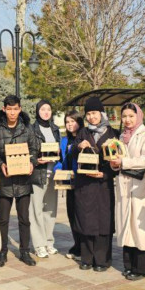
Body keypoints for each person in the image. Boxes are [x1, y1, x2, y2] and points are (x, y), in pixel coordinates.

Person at [0, 95, 40, 267]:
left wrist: (32, 162)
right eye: (9, 109)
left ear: (20, 109)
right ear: (4, 109)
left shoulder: (27, 129)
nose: (12, 112)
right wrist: (0, 164)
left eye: (15, 109)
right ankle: (2, 252)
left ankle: (25, 251)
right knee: (3, 219)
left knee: (24, 219)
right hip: (5, 181)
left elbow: (34, 149)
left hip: (23, 181)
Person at [70, 97, 119, 272]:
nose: (92, 117)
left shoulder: (113, 133)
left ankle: (102, 260)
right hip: (84, 185)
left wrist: (105, 174)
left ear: (102, 113)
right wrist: (78, 147)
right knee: (85, 221)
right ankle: (87, 258)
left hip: (103, 185)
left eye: (95, 113)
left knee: (103, 223)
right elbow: (72, 154)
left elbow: (118, 161)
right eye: (89, 114)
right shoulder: (83, 132)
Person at [108, 103, 145, 280]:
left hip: (140, 185)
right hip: (124, 184)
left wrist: (124, 162)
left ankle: (141, 268)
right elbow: (118, 159)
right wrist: (115, 164)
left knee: (139, 227)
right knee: (125, 224)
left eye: (131, 116)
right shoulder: (122, 136)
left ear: (138, 116)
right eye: (124, 116)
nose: (127, 120)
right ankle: (129, 265)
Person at [29, 100, 61, 258]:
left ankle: (49, 242)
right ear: (37, 111)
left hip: (53, 174)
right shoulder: (31, 129)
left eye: (48, 109)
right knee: (36, 211)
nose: (46, 112)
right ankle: (39, 244)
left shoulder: (55, 129)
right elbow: (27, 151)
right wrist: (36, 160)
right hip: (38, 175)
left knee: (50, 210)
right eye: (43, 109)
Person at [61, 111, 83, 260]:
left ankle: (83, 247)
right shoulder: (64, 140)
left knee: (81, 215)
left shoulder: (84, 138)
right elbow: (60, 159)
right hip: (68, 182)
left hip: (82, 182)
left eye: (73, 121)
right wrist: (59, 171)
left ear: (79, 122)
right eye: (67, 122)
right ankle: (77, 245)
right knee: (72, 215)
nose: (70, 124)